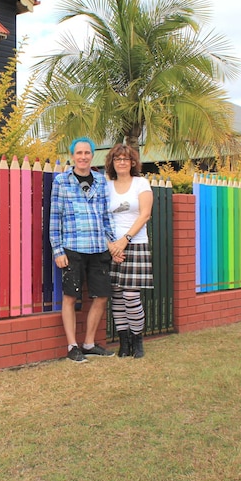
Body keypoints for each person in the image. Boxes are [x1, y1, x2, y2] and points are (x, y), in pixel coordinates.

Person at [49, 137, 118, 362]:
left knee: (101, 296)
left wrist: (112, 242)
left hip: (98, 248)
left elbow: (107, 216)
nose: (83, 157)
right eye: (79, 153)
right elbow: (54, 218)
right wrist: (57, 250)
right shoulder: (61, 181)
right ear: (72, 156)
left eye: (87, 153)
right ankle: (72, 346)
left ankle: (88, 343)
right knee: (70, 297)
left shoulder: (100, 180)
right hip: (73, 247)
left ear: (92, 155)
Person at [104, 143, 154, 358]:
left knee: (131, 296)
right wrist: (111, 245)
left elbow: (145, 214)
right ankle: (124, 342)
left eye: (125, 159)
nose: (122, 162)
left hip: (135, 243)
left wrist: (125, 240)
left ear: (132, 162)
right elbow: (101, 218)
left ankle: (137, 339)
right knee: (116, 296)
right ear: (112, 163)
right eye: (117, 159)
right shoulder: (106, 185)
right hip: (112, 246)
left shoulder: (141, 183)